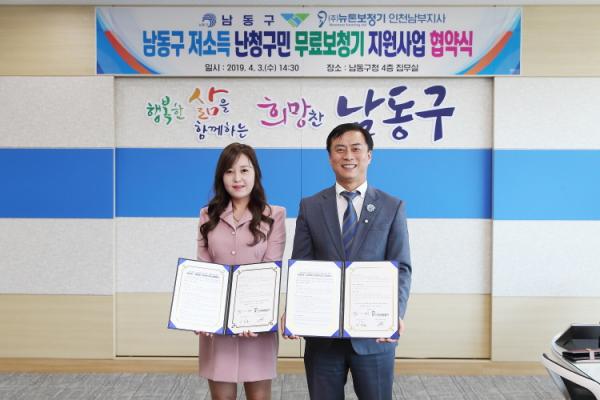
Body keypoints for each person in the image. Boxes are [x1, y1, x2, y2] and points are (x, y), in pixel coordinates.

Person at [286, 122, 411, 400]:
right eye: (340, 149)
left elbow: (401, 267)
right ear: (330, 157)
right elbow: (302, 266)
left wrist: (396, 312)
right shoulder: (311, 206)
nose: (348, 156)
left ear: (369, 155)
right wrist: (294, 309)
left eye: (356, 149)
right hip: (323, 338)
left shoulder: (392, 206)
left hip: (374, 336)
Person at [196, 143, 286, 400]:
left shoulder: (274, 215)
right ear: (221, 176)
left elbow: (270, 270)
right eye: (229, 171)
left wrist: (250, 317)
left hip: (256, 323)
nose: (237, 178)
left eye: (244, 170)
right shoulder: (208, 215)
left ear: (255, 173)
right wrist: (202, 315)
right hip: (218, 325)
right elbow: (204, 270)